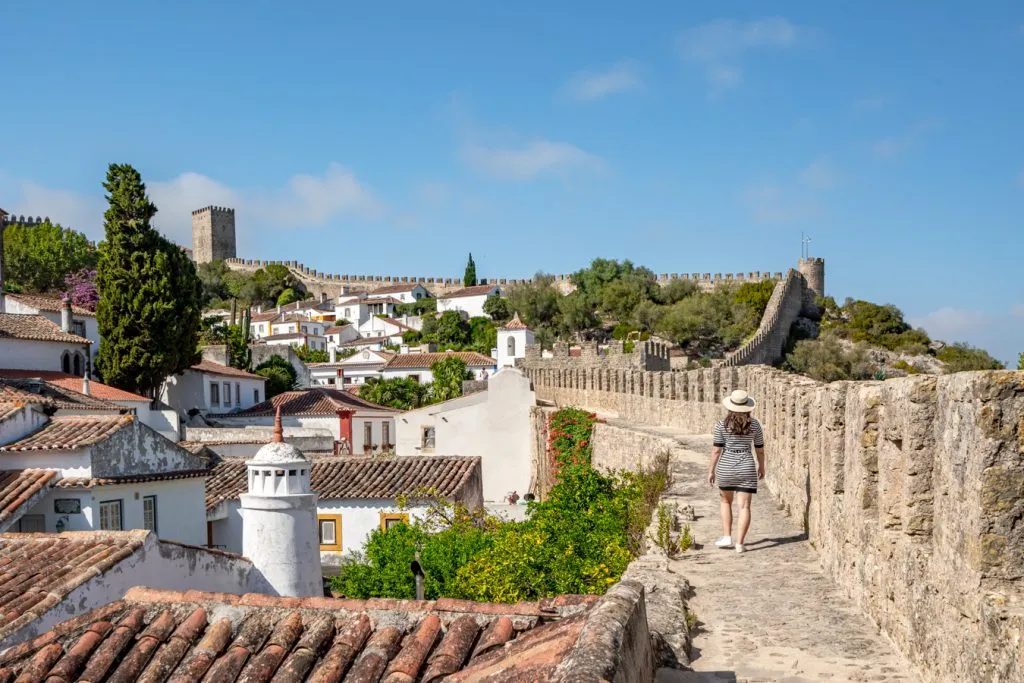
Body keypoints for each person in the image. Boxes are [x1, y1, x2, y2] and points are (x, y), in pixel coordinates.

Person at [707, 389, 766, 554]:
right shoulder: (755, 425)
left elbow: (716, 451)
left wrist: (711, 471)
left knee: (725, 502)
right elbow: (759, 450)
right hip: (746, 466)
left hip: (726, 466)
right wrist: (761, 467)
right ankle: (740, 543)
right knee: (744, 507)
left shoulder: (721, 425)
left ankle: (727, 537)